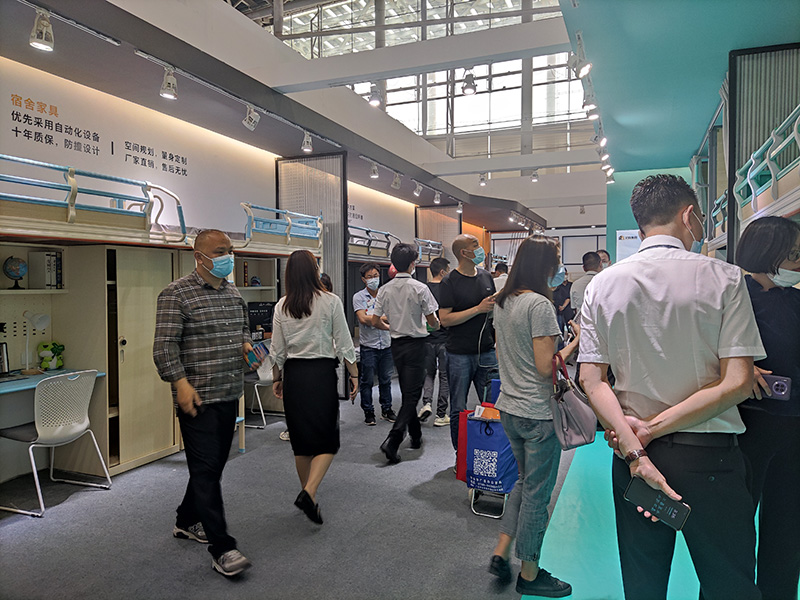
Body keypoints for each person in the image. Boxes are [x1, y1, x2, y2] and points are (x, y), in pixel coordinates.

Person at [579, 174, 765, 600]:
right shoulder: (725, 277)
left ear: (640, 222)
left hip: (633, 458)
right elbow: (738, 382)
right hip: (708, 457)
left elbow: (592, 379)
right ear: (688, 215)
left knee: (643, 583)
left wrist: (637, 446)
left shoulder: (602, 284)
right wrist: (652, 429)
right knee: (730, 584)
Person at [153, 229, 256, 577]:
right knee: (207, 470)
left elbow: (243, 328)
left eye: (230, 250)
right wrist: (180, 383)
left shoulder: (233, 292)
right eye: (220, 251)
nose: (228, 257)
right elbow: (164, 347)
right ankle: (222, 548)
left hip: (229, 391)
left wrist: (245, 345)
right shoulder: (176, 294)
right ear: (199, 257)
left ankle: (185, 520)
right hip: (196, 397)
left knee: (211, 467)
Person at [487, 235, 580, 598]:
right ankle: (529, 572)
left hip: (509, 407)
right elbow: (546, 367)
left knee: (524, 483)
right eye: (556, 260)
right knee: (537, 496)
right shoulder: (540, 305)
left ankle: (502, 550)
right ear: (544, 265)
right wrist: (575, 343)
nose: (560, 268)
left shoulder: (504, 301)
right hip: (538, 414)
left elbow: (503, 352)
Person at [735, 216, 800, 600]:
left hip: (794, 427)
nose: (798, 263)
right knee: (735, 529)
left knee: (787, 526)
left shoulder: (794, 299)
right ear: (768, 254)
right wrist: (739, 366)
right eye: (792, 255)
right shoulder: (733, 297)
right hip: (750, 426)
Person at [270, 250, 358, 524]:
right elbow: (344, 341)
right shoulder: (330, 301)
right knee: (327, 439)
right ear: (314, 270)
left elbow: (277, 350)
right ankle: (309, 492)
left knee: (301, 443)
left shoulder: (282, 305)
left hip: (295, 376)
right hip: (320, 374)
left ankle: (309, 495)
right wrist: (354, 374)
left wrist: (277, 378)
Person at [369, 243, 440, 464]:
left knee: (408, 391)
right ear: (412, 264)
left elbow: (374, 320)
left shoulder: (384, 289)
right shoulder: (420, 288)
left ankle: (416, 436)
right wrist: (435, 325)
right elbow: (433, 322)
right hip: (417, 346)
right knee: (412, 395)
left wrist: (392, 327)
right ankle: (394, 439)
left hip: (396, 345)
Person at [438, 234, 497, 453]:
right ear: (464, 253)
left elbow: (491, 313)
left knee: (492, 405)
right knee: (459, 408)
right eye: (476, 245)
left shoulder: (486, 277)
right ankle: (461, 455)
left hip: (487, 352)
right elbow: (445, 319)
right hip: (459, 354)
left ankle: (490, 453)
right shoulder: (449, 281)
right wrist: (477, 309)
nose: (480, 249)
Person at [279, 272, 335, 443]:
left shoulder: (285, 303)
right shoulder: (329, 302)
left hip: (311, 363)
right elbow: (278, 348)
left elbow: (277, 348)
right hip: (310, 363)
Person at [353, 262, 395, 426]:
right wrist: (382, 318)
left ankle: (387, 409)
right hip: (368, 346)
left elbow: (393, 316)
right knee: (367, 381)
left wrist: (374, 318)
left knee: (386, 379)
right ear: (364, 279)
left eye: (376, 276)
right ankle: (368, 411)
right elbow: (362, 319)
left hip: (386, 344)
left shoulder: (386, 294)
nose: (373, 279)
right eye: (369, 277)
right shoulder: (359, 297)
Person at [419, 256, 451, 427]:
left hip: (427, 339)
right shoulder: (448, 289)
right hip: (445, 340)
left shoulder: (423, 290)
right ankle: (441, 414)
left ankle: (426, 404)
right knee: (444, 377)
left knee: (429, 374)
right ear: (442, 272)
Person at [569, 251, 602, 320]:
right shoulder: (605, 282)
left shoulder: (575, 284)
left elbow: (574, 309)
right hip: (602, 323)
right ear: (600, 264)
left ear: (583, 268)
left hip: (582, 323)